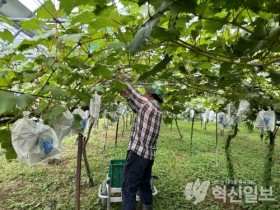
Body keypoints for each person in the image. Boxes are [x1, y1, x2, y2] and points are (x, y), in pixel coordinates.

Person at [120, 82, 163, 210]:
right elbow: (137, 109)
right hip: (148, 156)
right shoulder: (157, 110)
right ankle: (147, 207)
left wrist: (122, 77)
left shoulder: (146, 104)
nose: (144, 93)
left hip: (138, 154)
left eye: (146, 92)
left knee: (129, 187)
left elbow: (134, 92)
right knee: (145, 184)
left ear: (150, 94)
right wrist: (128, 97)